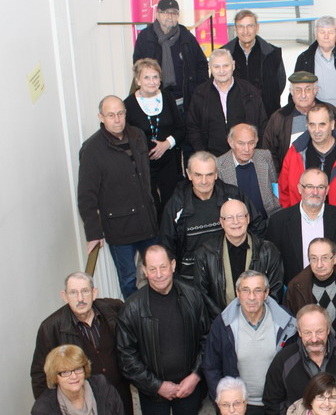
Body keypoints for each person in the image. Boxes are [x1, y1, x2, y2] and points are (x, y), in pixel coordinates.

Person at [116, 244, 210, 415]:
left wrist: (195, 376)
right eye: (152, 268)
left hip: (187, 386)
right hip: (153, 390)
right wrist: (157, 386)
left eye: (163, 267)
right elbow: (126, 357)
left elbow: (207, 339)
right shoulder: (132, 307)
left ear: (173, 265)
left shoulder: (192, 296)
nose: (158, 274)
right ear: (144, 271)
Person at [77, 95, 158, 298]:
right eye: (111, 115)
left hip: (147, 221)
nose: (117, 119)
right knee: (128, 278)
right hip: (119, 228)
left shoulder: (138, 136)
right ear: (101, 117)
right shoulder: (92, 149)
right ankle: (135, 319)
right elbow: (86, 195)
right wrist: (94, 232)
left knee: (158, 271)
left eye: (120, 113)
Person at [31, 273, 133, 415]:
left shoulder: (113, 309)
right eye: (73, 292)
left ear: (94, 293)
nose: (80, 298)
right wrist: (52, 412)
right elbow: (39, 375)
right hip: (82, 403)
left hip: (119, 394)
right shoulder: (51, 328)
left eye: (85, 291)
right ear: (64, 296)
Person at [202, 271, 297, 415]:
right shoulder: (223, 324)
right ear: (237, 293)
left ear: (266, 293)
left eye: (257, 290)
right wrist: (225, 402)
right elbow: (211, 367)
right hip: (240, 408)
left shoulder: (285, 322)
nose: (251, 297)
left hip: (277, 406)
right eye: (246, 290)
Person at [160, 150, 264, 281]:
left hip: (231, 276)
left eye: (209, 175)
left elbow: (258, 226)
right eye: (198, 175)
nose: (204, 181)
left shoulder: (233, 196)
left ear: (216, 174)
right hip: (191, 278)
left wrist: (250, 259)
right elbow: (167, 245)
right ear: (189, 174)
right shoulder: (176, 204)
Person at [263, 305, 336, 415]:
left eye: (319, 331)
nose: (314, 339)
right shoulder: (284, 360)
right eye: (307, 333)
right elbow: (272, 402)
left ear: (328, 329)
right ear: (299, 332)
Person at [192, 199, 283, 319]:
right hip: (221, 324)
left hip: (261, 323)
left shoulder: (268, 251)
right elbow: (202, 295)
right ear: (221, 222)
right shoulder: (205, 253)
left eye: (240, 216)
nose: (235, 222)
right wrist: (223, 321)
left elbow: (275, 291)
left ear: (248, 218)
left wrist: (256, 319)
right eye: (229, 217)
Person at [265, 168, 336, 286]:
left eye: (320, 187)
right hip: (292, 293)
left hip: (334, 291)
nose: (315, 192)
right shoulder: (279, 221)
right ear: (299, 188)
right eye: (309, 186)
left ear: (327, 190)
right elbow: (272, 266)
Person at [279, 104, 336, 225]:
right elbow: (284, 190)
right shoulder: (295, 152)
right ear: (307, 126)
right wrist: (292, 220)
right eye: (312, 125)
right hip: (302, 223)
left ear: (332, 124)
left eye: (322, 124)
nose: (317, 130)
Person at [124, 58, 185, 221]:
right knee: (151, 206)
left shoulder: (168, 98)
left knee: (171, 205)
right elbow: (126, 137)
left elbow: (181, 129)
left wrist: (166, 144)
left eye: (155, 77)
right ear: (138, 80)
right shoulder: (128, 105)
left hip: (168, 162)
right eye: (146, 77)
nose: (152, 81)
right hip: (143, 165)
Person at [132, 0, 207, 116]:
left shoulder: (186, 37)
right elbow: (138, 68)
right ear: (158, 14)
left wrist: (197, 92)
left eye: (174, 13)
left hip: (184, 102)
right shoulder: (145, 38)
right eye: (166, 12)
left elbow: (201, 64)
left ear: (178, 16)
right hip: (156, 101)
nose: (170, 16)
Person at [263, 71, 336, 173]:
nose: (303, 95)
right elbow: (269, 153)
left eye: (308, 89)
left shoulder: (331, 112)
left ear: (316, 90)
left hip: (330, 176)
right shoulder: (279, 117)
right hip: (293, 177)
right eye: (298, 90)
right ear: (291, 92)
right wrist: (279, 178)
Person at [186, 48, 267, 157]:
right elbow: (193, 126)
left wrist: (254, 151)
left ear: (233, 65)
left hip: (245, 156)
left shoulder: (249, 91)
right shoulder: (200, 93)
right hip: (213, 157)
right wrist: (203, 153)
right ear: (210, 68)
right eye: (216, 67)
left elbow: (262, 123)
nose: (222, 71)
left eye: (226, 66)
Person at [222, 9, 287, 117]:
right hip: (235, 117)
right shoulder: (224, 54)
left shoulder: (272, 54)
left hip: (267, 115)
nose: (245, 31)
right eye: (241, 26)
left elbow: (280, 83)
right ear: (235, 29)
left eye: (250, 26)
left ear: (257, 27)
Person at [217, 123, 281, 220]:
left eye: (251, 143)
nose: (246, 149)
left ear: (256, 141)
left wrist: (276, 205)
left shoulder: (265, 156)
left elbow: (274, 184)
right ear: (231, 143)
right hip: (239, 224)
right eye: (241, 143)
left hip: (269, 218)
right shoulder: (219, 165)